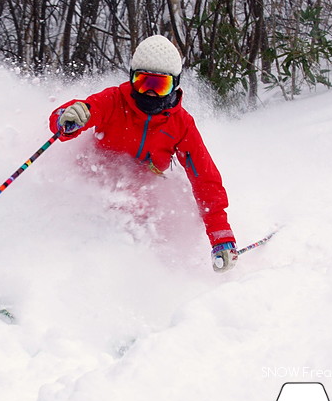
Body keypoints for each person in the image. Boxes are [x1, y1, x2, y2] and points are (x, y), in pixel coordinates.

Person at [50, 34, 238, 272]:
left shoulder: (181, 124)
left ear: (175, 84)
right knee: (85, 233)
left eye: (160, 86)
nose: (150, 93)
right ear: (131, 78)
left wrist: (221, 236)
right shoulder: (113, 100)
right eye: (143, 82)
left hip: (139, 202)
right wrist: (69, 118)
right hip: (90, 189)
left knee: (139, 239)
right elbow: (85, 111)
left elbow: (205, 180)